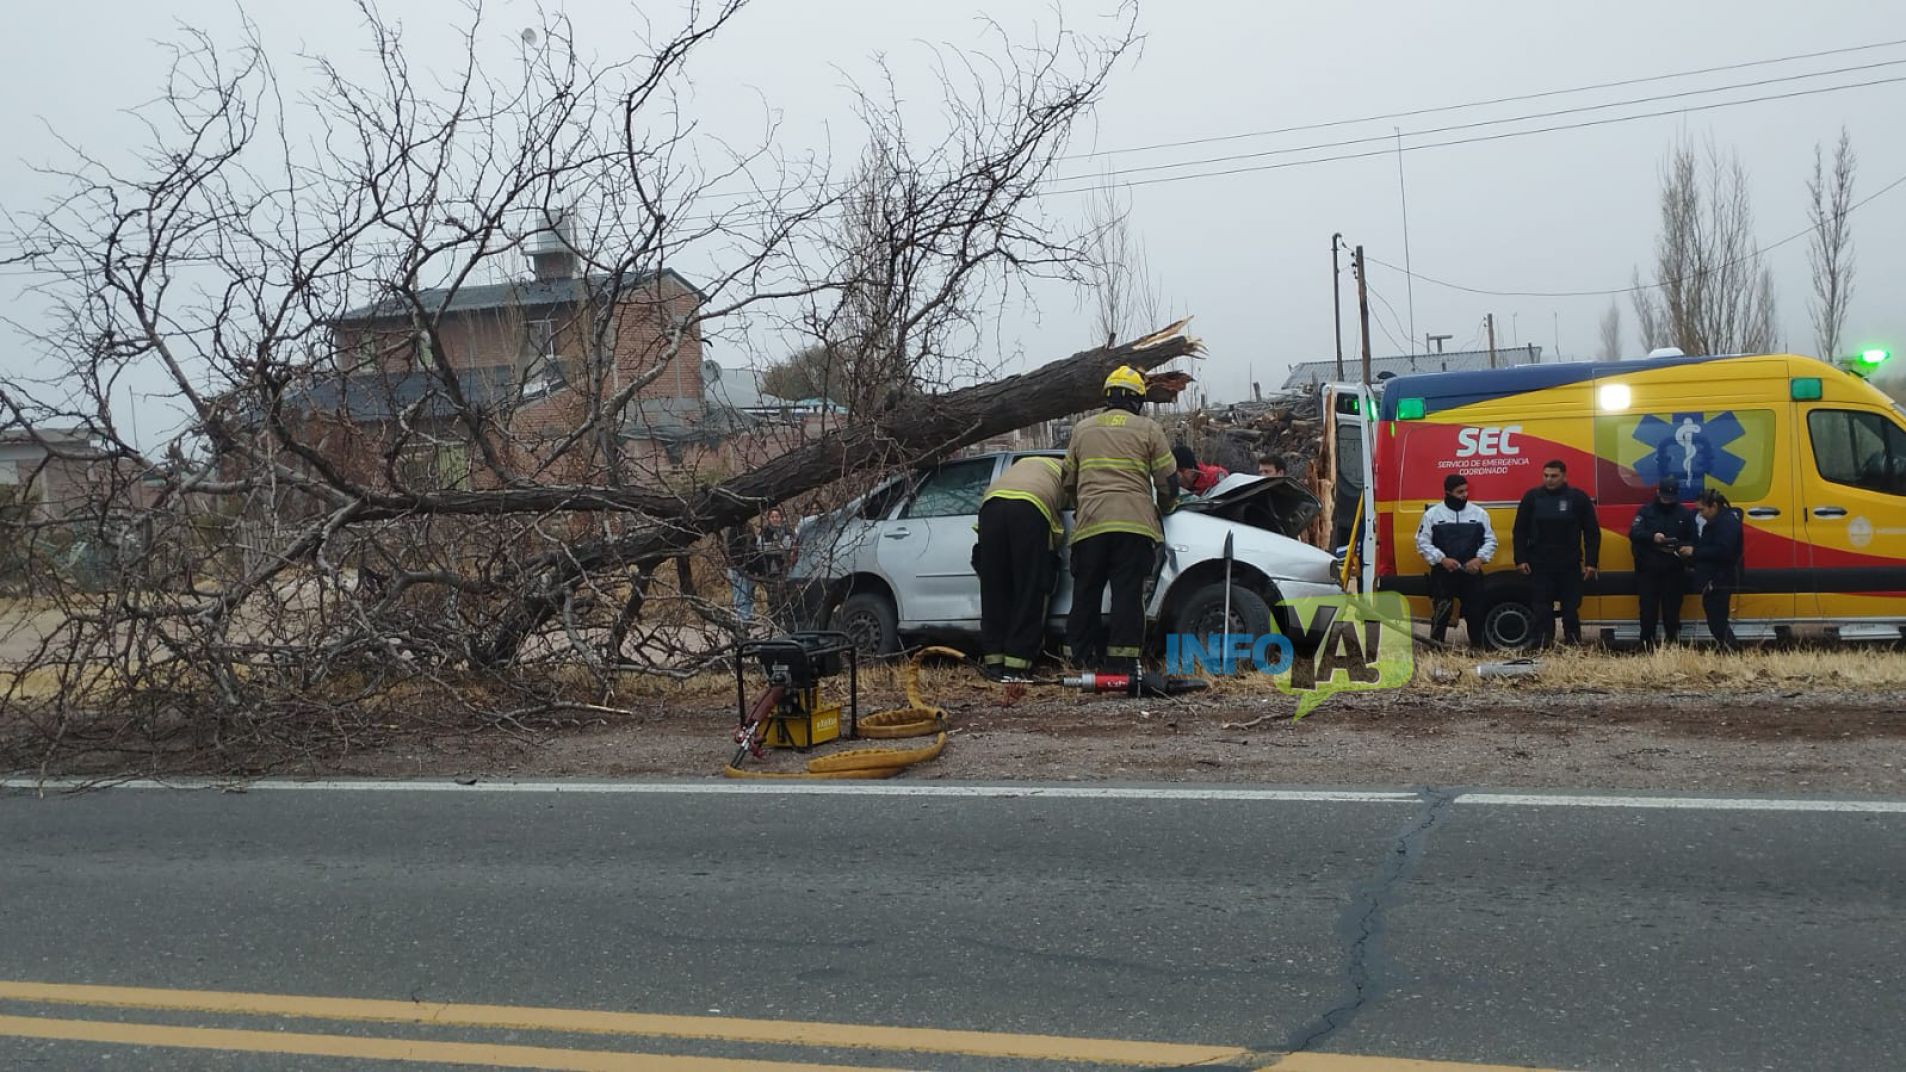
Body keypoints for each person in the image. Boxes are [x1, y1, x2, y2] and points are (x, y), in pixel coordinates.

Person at [1065, 366, 1177, 673]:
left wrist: (1083, 505)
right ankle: (1123, 662)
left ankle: (1081, 659)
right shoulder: (1149, 429)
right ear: (1137, 400)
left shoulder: (1082, 429)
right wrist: (1168, 506)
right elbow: (1168, 481)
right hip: (1134, 525)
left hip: (1090, 526)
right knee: (1127, 594)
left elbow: (1068, 481)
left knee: (1086, 592)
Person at [975, 455, 1071, 680]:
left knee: (994, 588)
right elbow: (1059, 526)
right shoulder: (1067, 472)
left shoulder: (1020, 466)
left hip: (990, 507)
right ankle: (1018, 666)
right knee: (1031, 589)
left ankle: (994, 662)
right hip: (1030, 508)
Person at [1513, 459, 1600, 647]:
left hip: (1569, 564)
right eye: (1546, 476)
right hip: (1540, 564)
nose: (1549, 480)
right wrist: (1520, 559)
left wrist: (1591, 562)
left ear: (1564, 476)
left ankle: (1573, 643)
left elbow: (1592, 532)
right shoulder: (1532, 497)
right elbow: (1519, 530)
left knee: (1570, 609)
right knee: (1541, 608)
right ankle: (1544, 643)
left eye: (1554, 476)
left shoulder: (1577, 498)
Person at [1415, 474, 1496, 648]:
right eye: (1460, 492)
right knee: (1441, 612)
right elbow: (1422, 542)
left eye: (1466, 491)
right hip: (1443, 573)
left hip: (1471, 572)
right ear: (1447, 493)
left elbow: (1490, 541)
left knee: (1475, 612)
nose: (1464, 495)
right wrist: (1441, 559)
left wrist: (1479, 559)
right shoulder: (1433, 515)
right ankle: (1436, 648)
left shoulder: (1479, 514)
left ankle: (1478, 648)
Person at [1628, 476, 1695, 648]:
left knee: (1672, 612)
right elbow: (1634, 533)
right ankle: (1646, 646)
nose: (1667, 501)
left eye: (1670, 498)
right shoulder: (1646, 511)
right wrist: (1653, 537)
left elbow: (1692, 539)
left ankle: (1672, 645)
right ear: (1658, 492)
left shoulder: (1684, 514)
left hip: (1673, 571)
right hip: (1648, 570)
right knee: (1648, 612)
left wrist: (1682, 548)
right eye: (1664, 497)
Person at [1681, 488, 1743, 651]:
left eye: (1702, 509)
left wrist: (1696, 552)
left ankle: (1731, 648)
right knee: (1715, 617)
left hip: (1720, 578)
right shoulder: (1718, 521)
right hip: (1715, 576)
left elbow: (1724, 551)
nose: (1700, 514)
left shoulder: (1726, 523)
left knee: (1717, 618)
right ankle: (1726, 647)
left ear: (1713, 506)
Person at [756, 507, 796, 629]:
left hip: (786, 569)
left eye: (777, 516)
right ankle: (776, 623)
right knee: (773, 598)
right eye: (772, 517)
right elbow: (761, 547)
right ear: (768, 519)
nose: (775, 519)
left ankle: (789, 623)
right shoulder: (764, 532)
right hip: (769, 570)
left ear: (781, 518)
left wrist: (780, 547)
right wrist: (776, 546)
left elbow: (788, 545)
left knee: (787, 597)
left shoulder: (787, 530)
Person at [723, 522, 758, 627]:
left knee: (748, 595)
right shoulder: (734, 529)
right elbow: (732, 550)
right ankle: (742, 620)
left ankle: (747, 618)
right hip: (737, 568)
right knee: (740, 596)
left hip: (748, 568)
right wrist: (741, 566)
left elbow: (753, 546)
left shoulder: (749, 527)